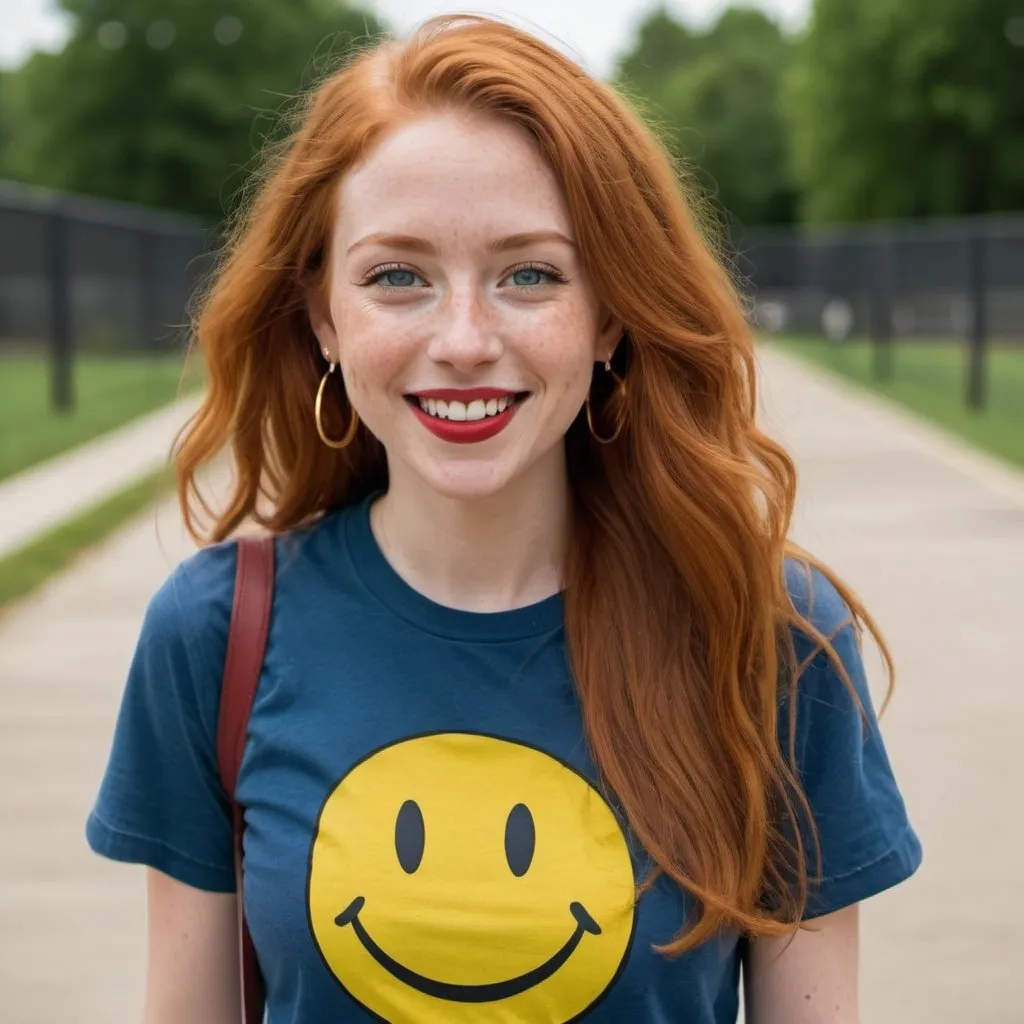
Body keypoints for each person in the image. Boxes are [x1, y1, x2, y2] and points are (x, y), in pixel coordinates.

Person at [86, 14, 921, 1024]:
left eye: (530, 273)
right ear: (321, 317)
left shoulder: (770, 634)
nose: (465, 339)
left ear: (610, 312)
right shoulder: (215, 635)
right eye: (397, 275)